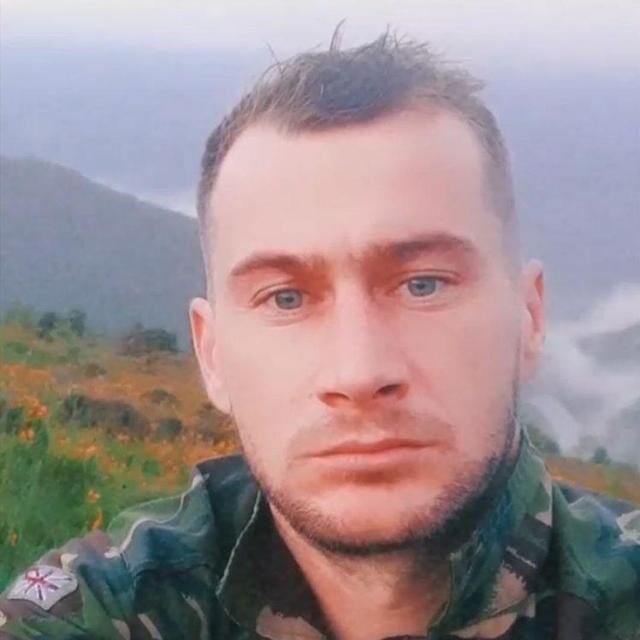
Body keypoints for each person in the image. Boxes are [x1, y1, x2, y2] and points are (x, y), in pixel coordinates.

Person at [1, 31, 638, 640]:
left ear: (529, 318)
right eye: (286, 298)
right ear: (211, 354)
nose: (358, 372)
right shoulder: (105, 609)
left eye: (423, 285)